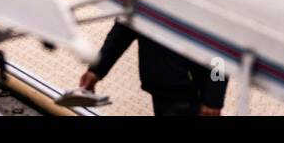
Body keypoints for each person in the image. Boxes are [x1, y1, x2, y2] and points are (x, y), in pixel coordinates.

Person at [79, 21, 226, 116]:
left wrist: (214, 97)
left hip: (193, 95)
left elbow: (221, 50)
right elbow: (125, 26)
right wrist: (97, 69)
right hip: (159, 86)